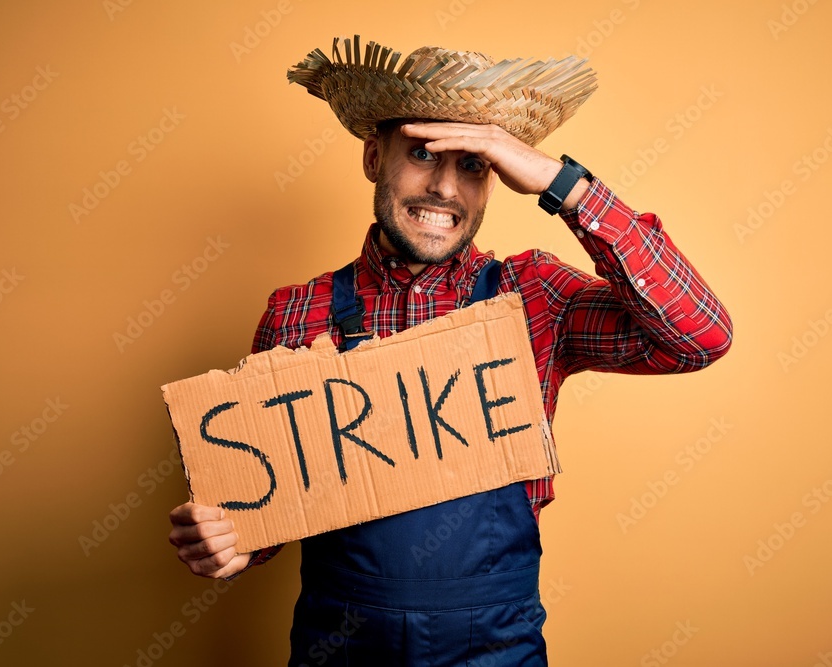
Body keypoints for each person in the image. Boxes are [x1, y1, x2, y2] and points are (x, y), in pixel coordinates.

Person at [168, 35, 733, 665]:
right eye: (422, 154)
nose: (444, 188)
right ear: (372, 156)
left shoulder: (534, 298)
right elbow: (267, 507)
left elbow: (699, 336)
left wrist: (561, 181)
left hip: (494, 647)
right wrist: (232, 542)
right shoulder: (298, 313)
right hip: (341, 644)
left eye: (473, 164)